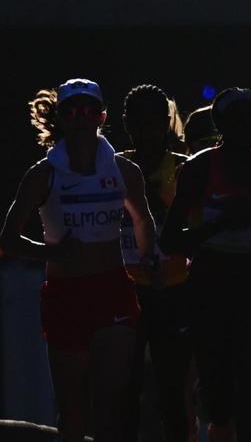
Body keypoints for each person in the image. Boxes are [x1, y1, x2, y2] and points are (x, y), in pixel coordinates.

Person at [1, 79, 159, 442]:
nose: (81, 118)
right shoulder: (43, 175)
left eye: (89, 111)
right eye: (71, 111)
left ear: (102, 117)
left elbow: (143, 218)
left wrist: (148, 254)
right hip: (64, 294)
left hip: (113, 290)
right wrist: (51, 252)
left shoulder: (123, 171)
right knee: (73, 406)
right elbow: (7, 240)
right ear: (59, 118)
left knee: (112, 403)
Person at [161, 87, 251, 442]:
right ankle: (221, 428)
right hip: (209, 285)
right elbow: (170, 241)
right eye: (237, 118)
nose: (247, 126)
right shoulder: (199, 168)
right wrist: (221, 223)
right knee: (218, 395)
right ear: (222, 124)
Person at [118, 85, 193, 442]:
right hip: (124, 293)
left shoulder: (186, 170)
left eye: (154, 123)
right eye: (138, 123)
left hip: (175, 292)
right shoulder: (112, 168)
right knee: (124, 392)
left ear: (166, 124)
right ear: (126, 124)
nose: (147, 132)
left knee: (173, 392)